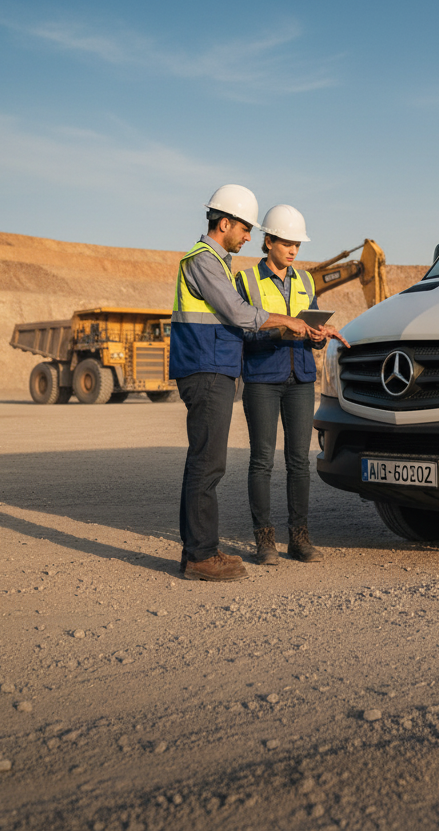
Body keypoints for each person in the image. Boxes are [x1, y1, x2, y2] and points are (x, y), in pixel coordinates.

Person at [170, 185, 318, 582]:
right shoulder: (204, 261)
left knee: (204, 463)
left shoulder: (217, 262)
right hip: (206, 368)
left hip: (215, 367)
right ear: (224, 223)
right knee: (208, 465)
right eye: (246, 229)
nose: (249, 237)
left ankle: (197, 551)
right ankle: (201, 557)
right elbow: (237, 313)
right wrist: (286, 321)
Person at [235, 204, 349, 566]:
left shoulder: (305, 281)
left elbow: (310, 331)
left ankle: (299, 539)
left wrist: (319, 337)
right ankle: (264, 541)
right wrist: (283, 328)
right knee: (263, 460)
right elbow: (242, 332)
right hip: (262, 380)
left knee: (299, 461)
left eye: (297, 244)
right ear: (267, 241)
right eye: (286, 242)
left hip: (300, 380)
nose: (293, 250)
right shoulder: (247, 281)